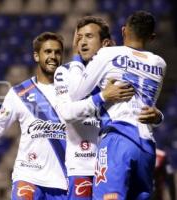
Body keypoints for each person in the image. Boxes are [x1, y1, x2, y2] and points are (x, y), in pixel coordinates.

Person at [0, 32, 133, 200]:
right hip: (29, 177)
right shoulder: (18, 93)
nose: (53, 56)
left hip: (66, 180)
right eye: (48, 52)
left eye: (57, 52)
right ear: (36, 56)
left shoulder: (78, 89)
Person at [54, 16, 163, 200]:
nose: (82, 42)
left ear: (105, 43)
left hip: (114, 148)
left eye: (89, 36)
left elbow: (139, 104)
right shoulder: (66, 72)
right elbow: (66, 112)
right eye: (79, 37)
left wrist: (158, 115)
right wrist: (103, 96)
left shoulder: (112, 65)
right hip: (84, 164)